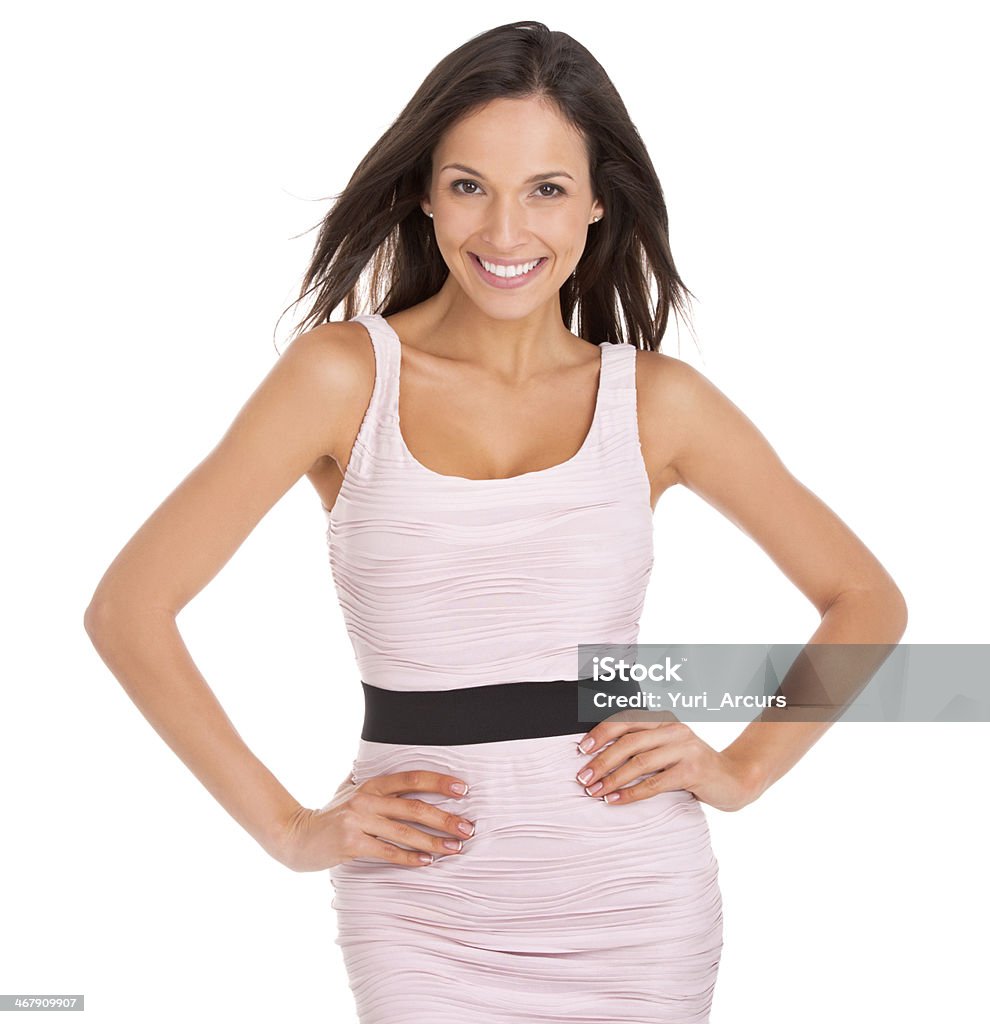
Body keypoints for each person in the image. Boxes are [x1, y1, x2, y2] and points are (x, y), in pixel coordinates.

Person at [84, 20, 908, 1024]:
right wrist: (291, 830)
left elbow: (866, 600)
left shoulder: (658, 401)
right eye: (470, 184)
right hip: (421, 902)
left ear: (599, 202)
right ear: (425, 193)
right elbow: (129, 610)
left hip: (634, 901)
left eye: (546, 190)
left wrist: (741, 769)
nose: (506, 233)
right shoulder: (344, 378)